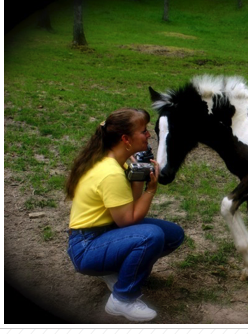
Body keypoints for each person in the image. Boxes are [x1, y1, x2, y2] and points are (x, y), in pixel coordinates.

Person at [64, 108, 184, 322]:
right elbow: (128, 220)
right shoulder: (110, 172)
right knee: (151, 235)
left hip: (106, 231)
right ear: (125, 139)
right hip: (86, 246)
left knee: (173, 234)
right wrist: (151, 190)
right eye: (143, 131)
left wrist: (138, 177)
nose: (148, 135)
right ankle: (122, 298)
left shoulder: (118, 161)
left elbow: (129, 207)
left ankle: (118, 270)